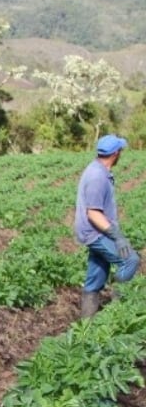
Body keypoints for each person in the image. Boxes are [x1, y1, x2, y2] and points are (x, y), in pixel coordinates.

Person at [74, 133, 138, 318]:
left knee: (97, 275)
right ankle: (117, 312)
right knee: (130, 260)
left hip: (96, 231)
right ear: (116, 153)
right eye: (121, 151)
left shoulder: (99, 170)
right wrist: (117, 236)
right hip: (96, 233)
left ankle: (86, 324)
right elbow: (93, 213)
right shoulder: (97, 177)